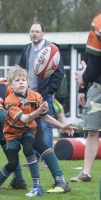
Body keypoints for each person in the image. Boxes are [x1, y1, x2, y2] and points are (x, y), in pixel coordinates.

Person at [0, 66, 74, 197]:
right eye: (17, 80)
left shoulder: (35, 96)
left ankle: (37, 187)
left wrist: (62, 126)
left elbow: (44, 116)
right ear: (11, 85)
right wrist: (38, 111)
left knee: (28, 149)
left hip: (28, 130)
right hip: (11, 134)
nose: (21, 82)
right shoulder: (10, 100)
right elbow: (24, 118)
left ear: (28, 82)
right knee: (12, 163)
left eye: (23, 79)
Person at [19, 21, 65, 163]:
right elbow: (20, 70)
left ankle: (47, 159)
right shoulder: (26, 49)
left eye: (37, 31)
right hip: (28, 95)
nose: (34, 34)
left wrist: (49, 90)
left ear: (43, 33)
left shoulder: (52, 49)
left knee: (45, 126)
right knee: (31, 126)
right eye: (32, 31)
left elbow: (59, 73)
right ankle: (33, 157)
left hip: (43, 94)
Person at [73, 13, 101, 182]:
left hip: (94, 82)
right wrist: (82, 88)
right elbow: (88, 59)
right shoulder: (96, 24)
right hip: (97, 88)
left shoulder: (98, 22)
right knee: (92, 130)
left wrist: (84, 77)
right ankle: (86, 173)